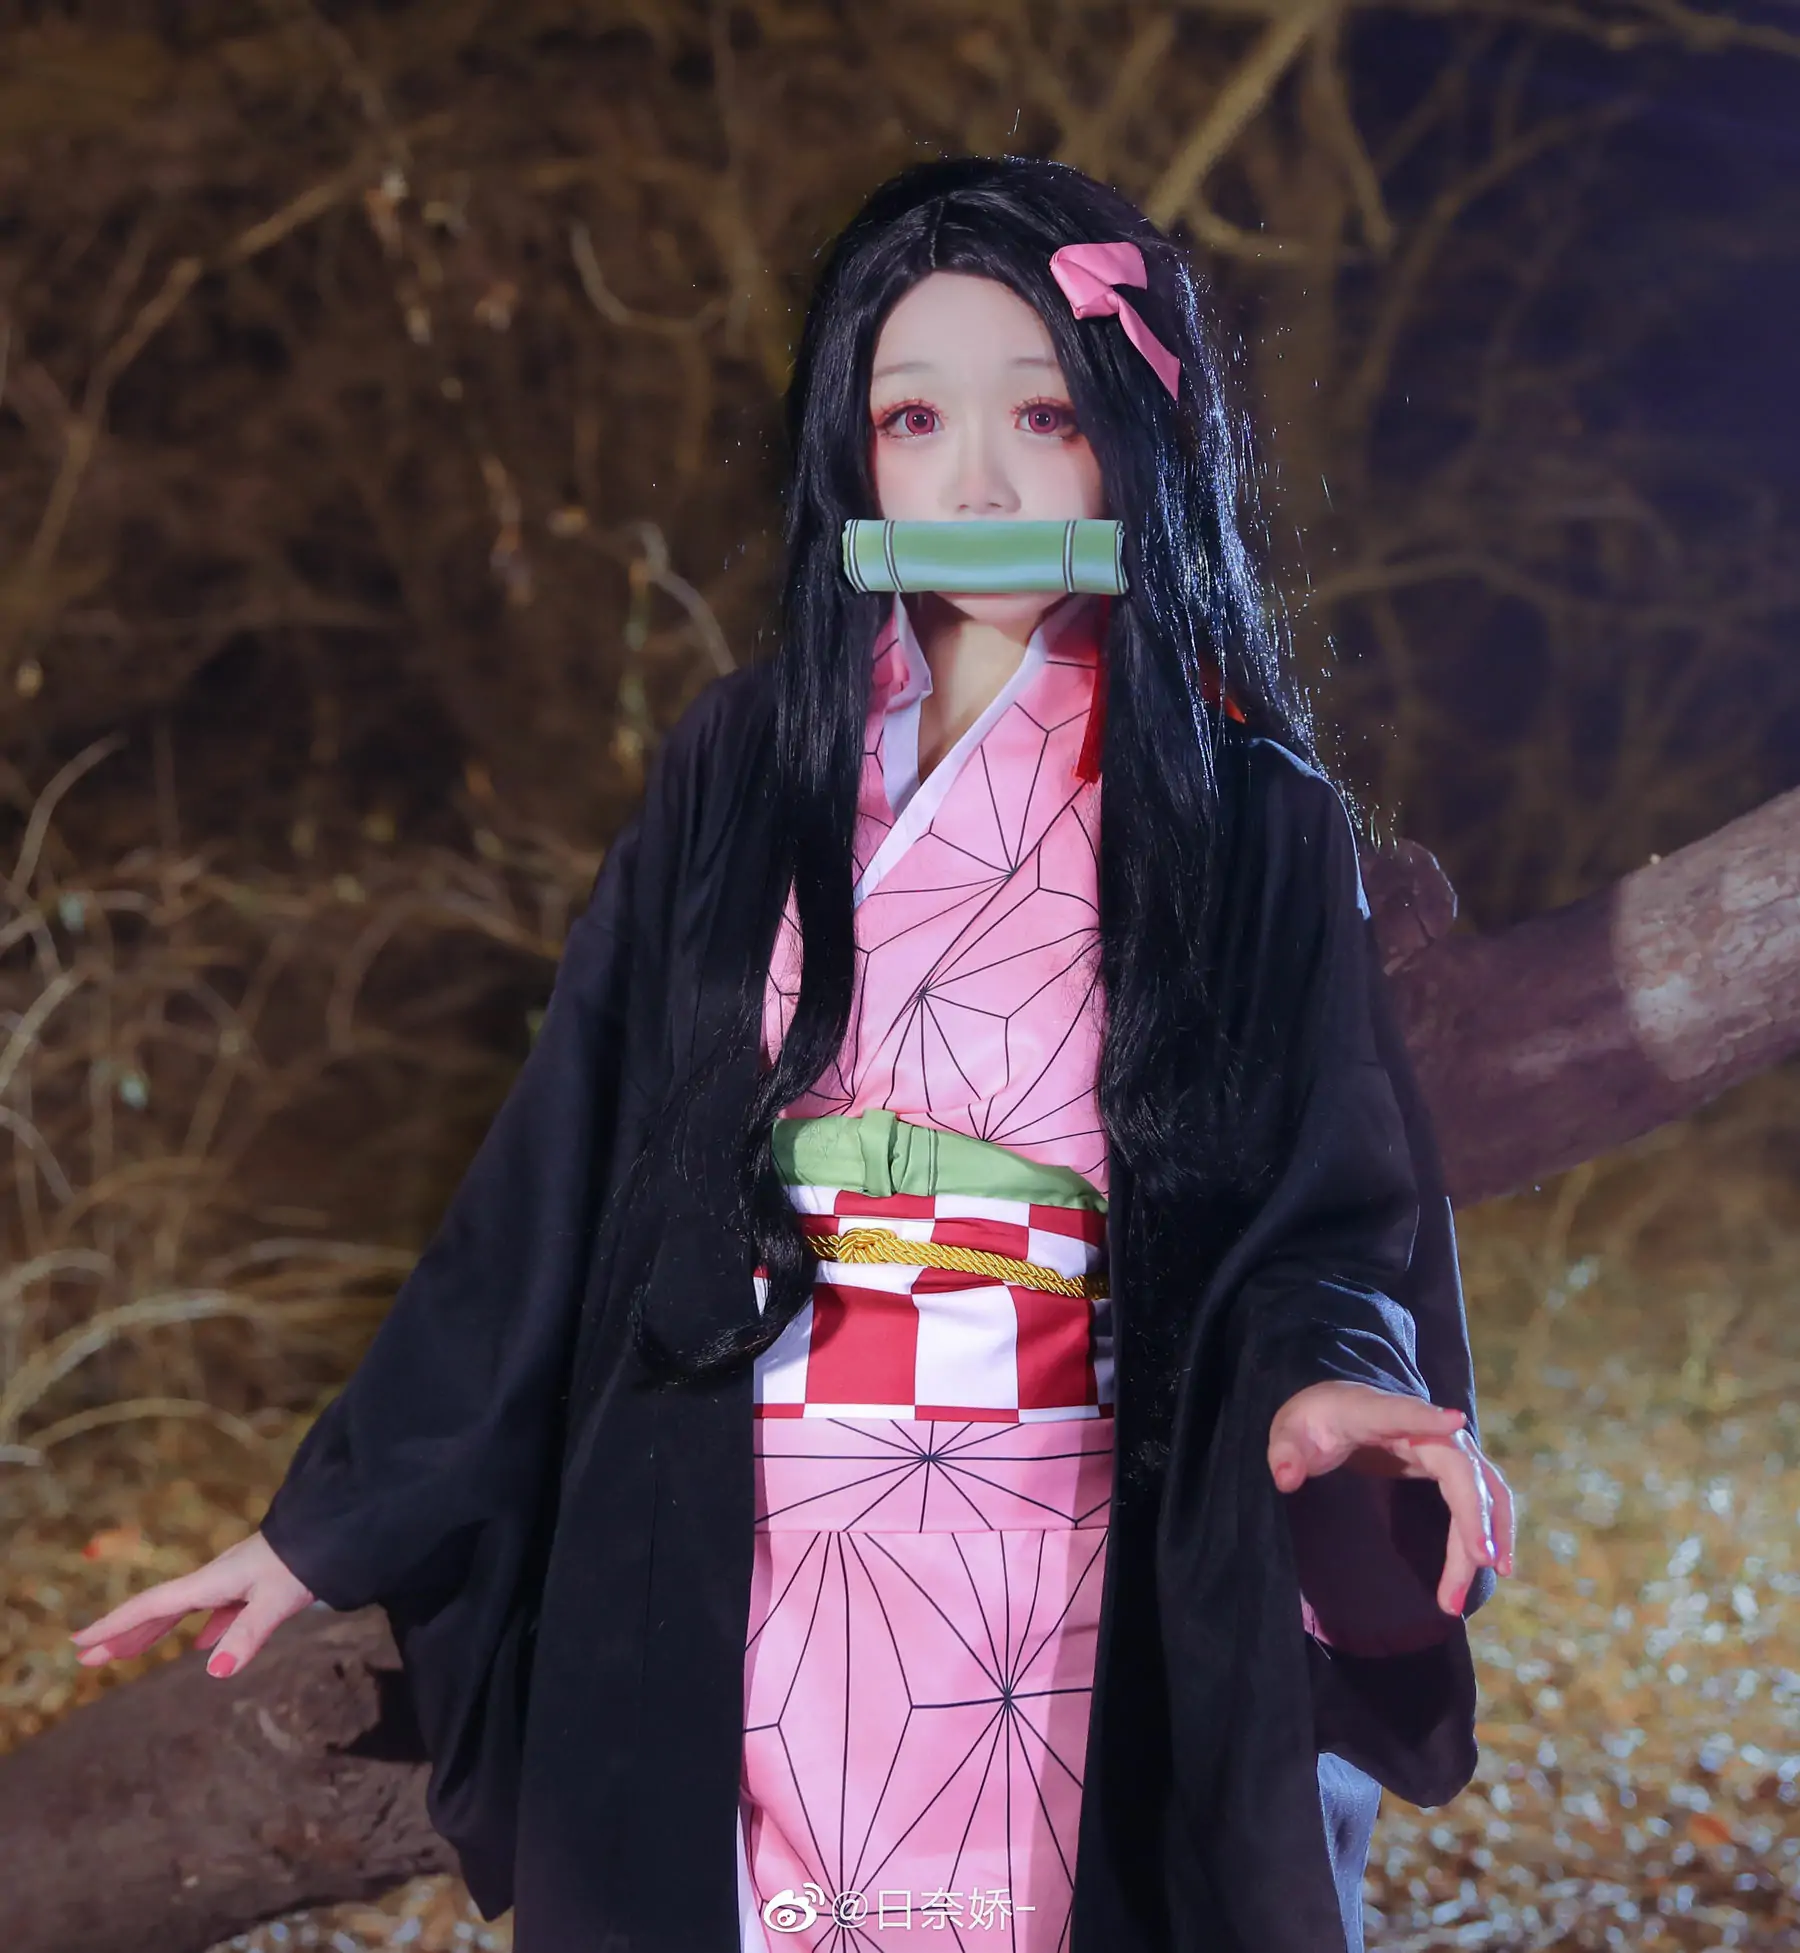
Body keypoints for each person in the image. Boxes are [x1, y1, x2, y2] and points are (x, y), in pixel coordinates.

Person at [69, 156, 1514, 1953]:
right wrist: (336, 1518)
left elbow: (1325, 1206)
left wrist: (1327, 1382)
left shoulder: (1254, 820)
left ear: (1138, 444)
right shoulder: (742, 765)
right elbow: (565, 1154)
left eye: (1044, 417)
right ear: (855, 456)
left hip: (1049, 1540)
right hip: (731, 1509)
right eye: (916, 420)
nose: (976, 485)